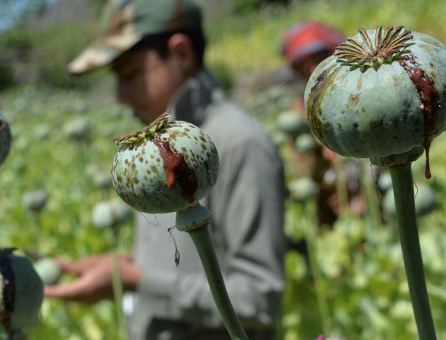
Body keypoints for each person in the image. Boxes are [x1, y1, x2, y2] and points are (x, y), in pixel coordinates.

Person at [44, 0, 287, 339]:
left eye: (129, 74)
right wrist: (121, 266)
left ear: (181, 53)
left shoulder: (239, 144)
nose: (121, 96)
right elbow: (189, 256)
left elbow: (259, 300)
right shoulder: (158, 150)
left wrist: (135, 281)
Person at [278, 22, 365, 227]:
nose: (311, 69)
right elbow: (302, 169)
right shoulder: (298, 111)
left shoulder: (356, 97)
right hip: (327, 197)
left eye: (317, 60)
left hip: (360, 187)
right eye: (303, 65)